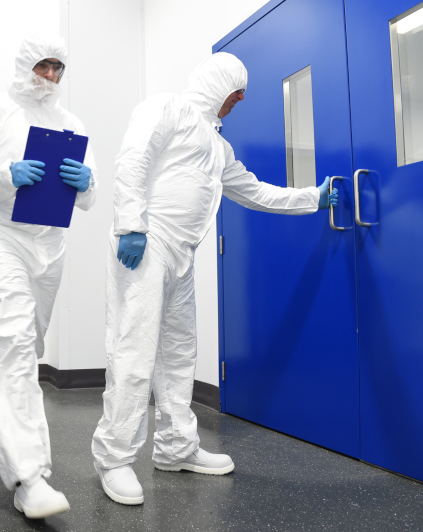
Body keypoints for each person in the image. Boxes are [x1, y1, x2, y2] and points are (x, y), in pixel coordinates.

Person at [91, 52, 338, 505]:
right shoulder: (167, 107)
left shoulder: (218, 147)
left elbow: (255, 191)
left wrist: (312, 198)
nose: (238, 101)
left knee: (179, 353)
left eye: (241, 96)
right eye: (235, 93)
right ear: (216, 84)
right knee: (134, 350)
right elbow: (133, 159)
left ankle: (176, 448)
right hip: (146, 242)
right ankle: (114, 459)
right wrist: (130, 225)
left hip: (182, 254)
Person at [0, 35, 97, 519]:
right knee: (12, 339)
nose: (49, 76)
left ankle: (18, 436)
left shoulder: (71, 124)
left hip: (51, 243)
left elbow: (88, 195)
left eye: (57, 69)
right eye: (42, 66)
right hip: (0, 235)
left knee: (30, 344)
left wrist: (88, 184)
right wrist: (4, 175)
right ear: (25, 65)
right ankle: (28, 477)